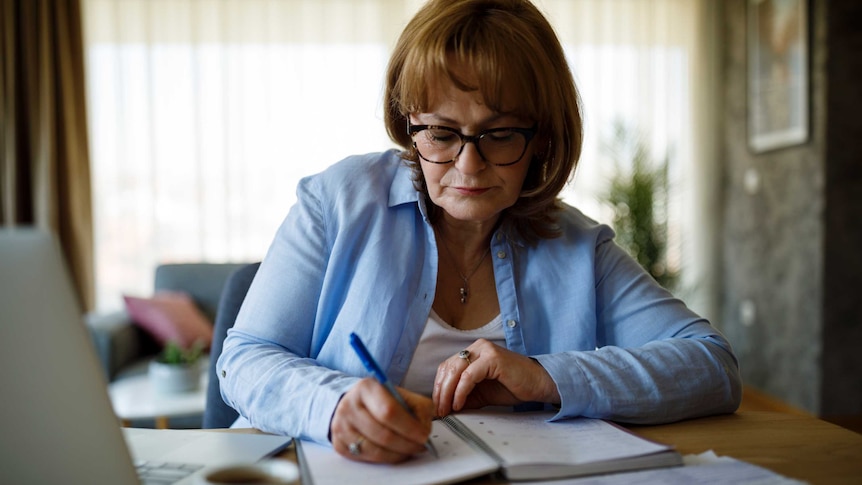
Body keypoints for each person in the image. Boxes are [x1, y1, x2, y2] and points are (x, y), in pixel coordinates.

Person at [218, 0, 741, 465]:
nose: (468, 166)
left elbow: (712, 365)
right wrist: (332, 405)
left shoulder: (578, 247)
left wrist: (543, 376)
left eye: (501, 133)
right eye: (442, 133)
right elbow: (244, 359)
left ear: (542, 138)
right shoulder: (339, 201)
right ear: (410, 125)